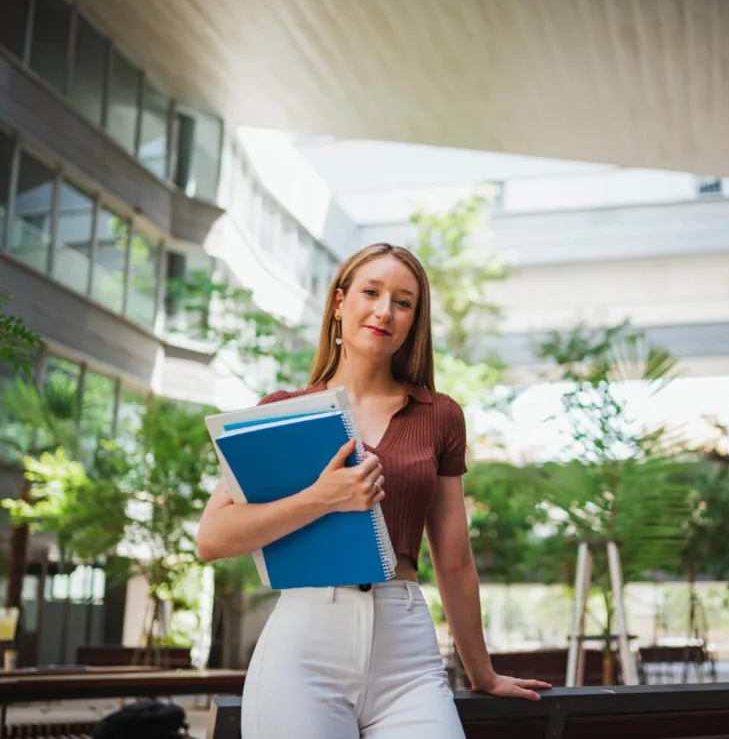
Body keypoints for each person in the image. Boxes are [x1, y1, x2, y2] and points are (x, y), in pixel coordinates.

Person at [196, 243, 550, 738]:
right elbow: (212, 538)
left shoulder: (439, 414)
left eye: (403, 302)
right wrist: (324, 496)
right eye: (371, 292)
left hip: (405, 651)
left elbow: (454, 560)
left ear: (412, 322)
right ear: (340, 303)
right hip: (304, 648)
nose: (385, 310)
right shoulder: (281, 410)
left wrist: (482, 672)